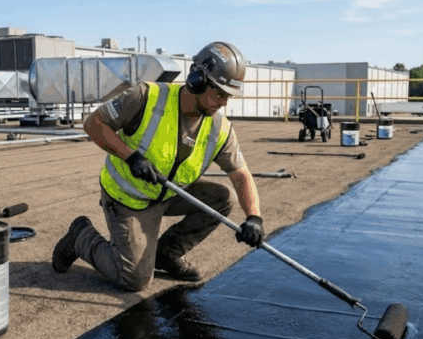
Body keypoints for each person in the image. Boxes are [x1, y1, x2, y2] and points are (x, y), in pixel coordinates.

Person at [50, 41, 265, 292]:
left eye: (228, 96)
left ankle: (167, 254)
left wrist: (254, 218)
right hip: (128, 198)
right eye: (219, 93)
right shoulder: (146, 97)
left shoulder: (220, 129)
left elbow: (240, 174)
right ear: (197, 80)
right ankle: (81, 237)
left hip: (170, 193)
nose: (224, 103)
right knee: (135, 280)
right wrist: (130, 157)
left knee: (222, 198)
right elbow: (94, 124)